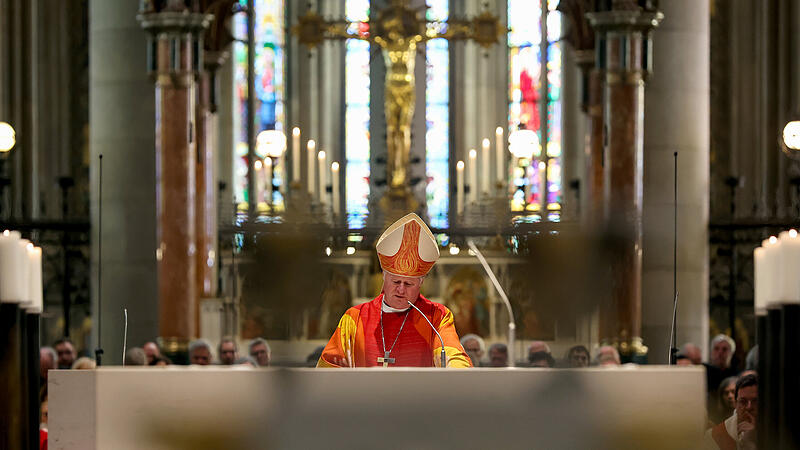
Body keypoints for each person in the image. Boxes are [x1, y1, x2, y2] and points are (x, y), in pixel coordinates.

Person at [317, 213, 471, 368]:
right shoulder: (355, 318)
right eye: (396, 281)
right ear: (384, 276)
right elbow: (329, 365)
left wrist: (456, 369)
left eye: (409, 284)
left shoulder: (436, 317)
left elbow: (454, 356)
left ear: (421, 282)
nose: (401, 289)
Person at [704, 373, 757, 450]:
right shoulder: (714, 436)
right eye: (743, 401)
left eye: (755, 401)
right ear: (736, 403)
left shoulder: (777, 430)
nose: (749, 407)